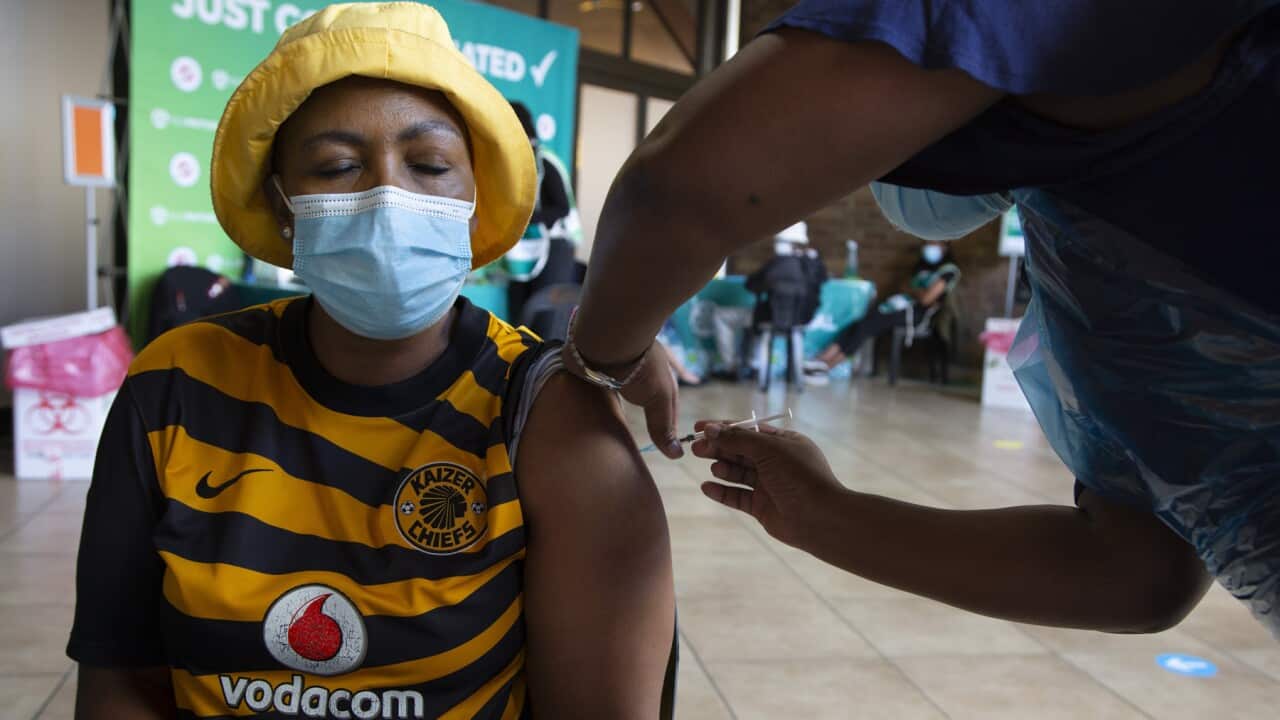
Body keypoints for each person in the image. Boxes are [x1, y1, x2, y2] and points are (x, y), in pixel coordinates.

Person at [561, 0, 1280, 638]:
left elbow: (680, 188)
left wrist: (607, 357)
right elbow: (1139, 574)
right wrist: (824, 515)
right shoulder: (1110, 216)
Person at [66, 4, 675, 718]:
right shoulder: (177, 386)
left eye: (430, 164)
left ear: (475, 198)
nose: (389, 197)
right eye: (338, 166)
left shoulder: (542, 412)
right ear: (282, 203)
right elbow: (120, 683)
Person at [815, 239, 958, 369]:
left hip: (916, 314)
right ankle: (825, 357)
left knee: (868, 324)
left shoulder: (949, 271)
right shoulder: (922, 265)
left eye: (934, 243)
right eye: (927, 243)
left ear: (945, 246)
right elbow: (905, 286)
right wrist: (918, 291)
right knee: (862, 320)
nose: (929, 247)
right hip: (900, 305)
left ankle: (831, 362)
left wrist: (914, 291)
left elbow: (926, 299)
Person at [505, 101, 582, 323]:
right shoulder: (515, 164)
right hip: (524, 248)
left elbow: (562, 208)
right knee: (517, 315)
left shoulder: (545, 161)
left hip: (555, 248)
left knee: (545, 316)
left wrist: (524, 219)